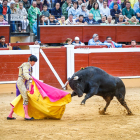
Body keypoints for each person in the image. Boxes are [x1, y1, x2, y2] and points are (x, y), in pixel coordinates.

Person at [7, 55, 38, 120]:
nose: (34, 63)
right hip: (20, 83)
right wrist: (30, 78)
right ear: (30, 61)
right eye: (33, 61)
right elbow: (25, 74)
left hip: (22, 84)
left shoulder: (30, 67)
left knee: (18, 100)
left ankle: (10, 115)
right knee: (25, 98)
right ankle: (26, 115)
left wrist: (27, 87)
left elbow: (27, 80)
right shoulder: (25, 65)